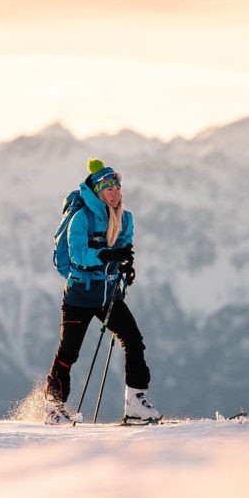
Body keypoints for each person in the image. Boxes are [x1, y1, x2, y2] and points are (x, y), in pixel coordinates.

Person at [44, 158, 159, 424]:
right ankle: (53, 405)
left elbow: (123, 251)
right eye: (109, 189)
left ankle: (135, 403)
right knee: (69, 352)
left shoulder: (125, 219)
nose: (116, 194)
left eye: (118, 189)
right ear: (98, 192)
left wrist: (125, 267)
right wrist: (108, 255)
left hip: (107, 294)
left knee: (133, 339)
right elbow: (78, 256)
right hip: (79, 295)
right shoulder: (80, 218)